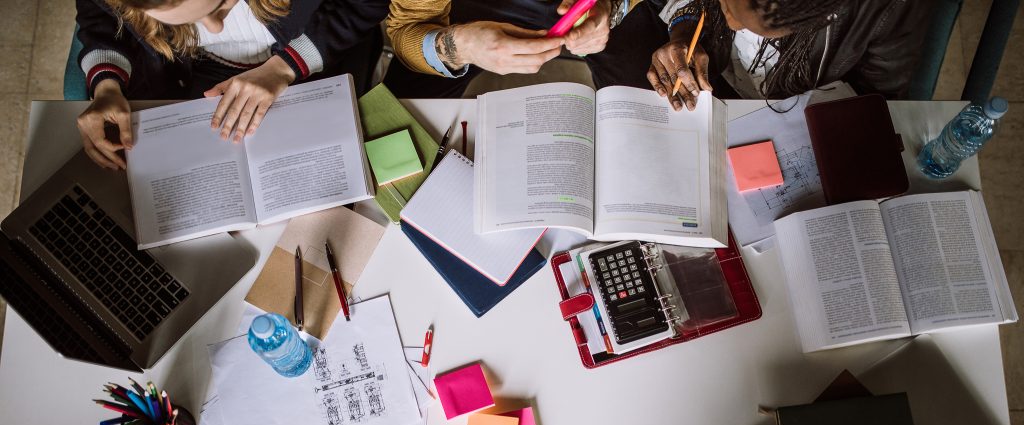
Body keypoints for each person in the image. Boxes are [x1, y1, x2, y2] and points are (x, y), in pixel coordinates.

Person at [75, 0, 389, 169]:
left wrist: (286, 66)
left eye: (220, 5)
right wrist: (107, 85)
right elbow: (99, 19)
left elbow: (365, 5)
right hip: (186, 71)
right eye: (187, 20)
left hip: (315, 57)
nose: (215, 26)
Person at [647, 0, 928, 111]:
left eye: (744, 22)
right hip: (721, 84)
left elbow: (878, 96)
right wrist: (684, 28)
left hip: (798, 110)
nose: (730, 23)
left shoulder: (889, 8)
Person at [382, 0, 649, 98]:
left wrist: (613, 8)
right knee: (398, 116)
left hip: (598, 6)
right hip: (471, 8)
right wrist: (460, 46)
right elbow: (408, 28)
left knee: (651, 104)